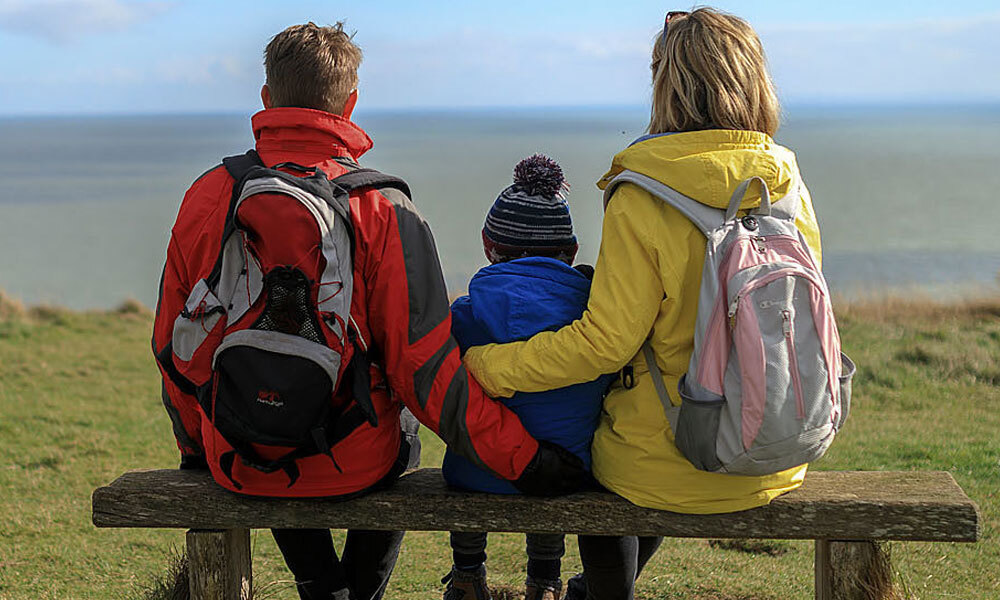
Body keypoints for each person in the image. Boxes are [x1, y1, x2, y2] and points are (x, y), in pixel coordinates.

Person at [151, 22, 585, 600]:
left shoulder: (208, 196)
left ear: (265, 98)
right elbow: (425, 373)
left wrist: (198, 448)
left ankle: (319, 584)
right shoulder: (384, 210)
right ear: (350, 101)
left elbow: (172, 345)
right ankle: (355, 590)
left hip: (239, 455)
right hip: (355, 459)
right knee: (403, 428)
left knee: (269, 420)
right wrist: (527, 460)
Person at [462, 8, 823, 600]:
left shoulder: (642, 193)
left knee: (603, 454)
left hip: (671, 459)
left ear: (668, 84)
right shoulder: (786, 183)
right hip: (777, 451)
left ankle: (605, 591)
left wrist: (486, 368)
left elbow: (604, 343)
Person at [440, 155, 611, 600]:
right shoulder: (594, 321)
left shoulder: (463, 317)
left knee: (475, 451)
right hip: (568, 473)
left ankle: (466, 575)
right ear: (571, 252)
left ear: (487, 245)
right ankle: (544, 582)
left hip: (473, 475)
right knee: (554, 454)